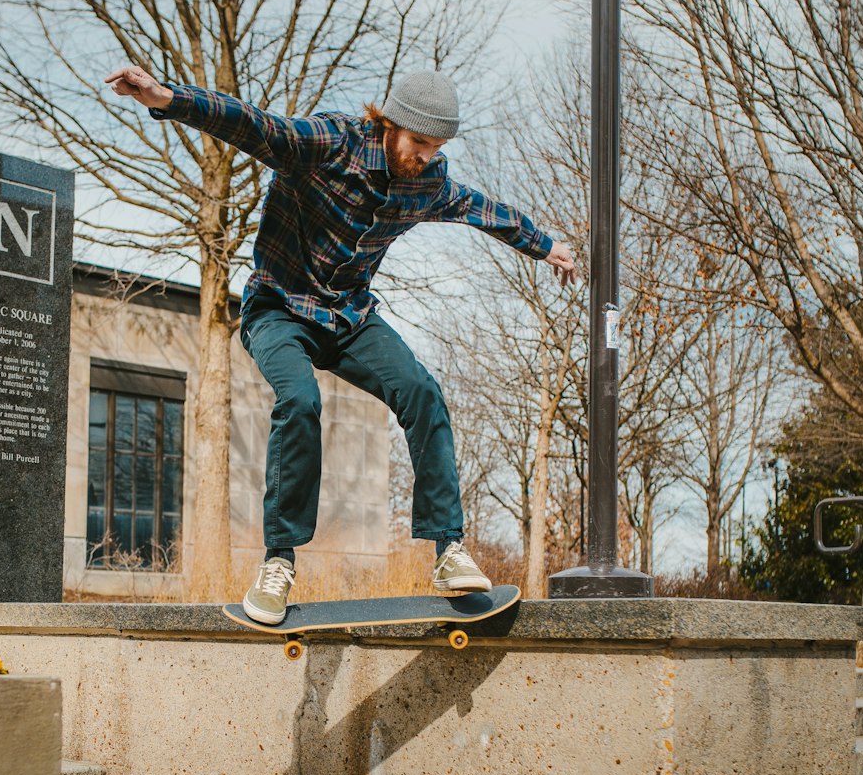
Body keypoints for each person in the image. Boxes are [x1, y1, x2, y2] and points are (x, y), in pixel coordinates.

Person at [104, 65, 577, 623]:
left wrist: (545, 246)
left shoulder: (426, 183)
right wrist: (168, 99)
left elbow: (479, 209)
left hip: (350, 318)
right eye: (420, 142)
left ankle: (448, 549)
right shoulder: (331, 143)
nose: (426, 156)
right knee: (300, 400)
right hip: (279, 309)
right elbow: (256, 126)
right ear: (391, 123)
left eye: (437, 147)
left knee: (421, 390)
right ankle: (278, 563)